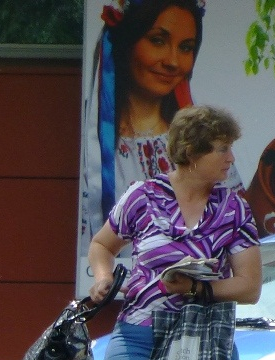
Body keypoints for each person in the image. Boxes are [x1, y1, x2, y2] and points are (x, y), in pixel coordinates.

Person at [88, 105, 262, 360]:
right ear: (192, 153)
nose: (231, 158)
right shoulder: (143, 196)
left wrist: (199, 287)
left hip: (203, 340)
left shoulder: (233, 209)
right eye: (221, 149)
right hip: (138, 337)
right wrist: (102, 277)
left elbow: (249, 286)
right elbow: (102, 245)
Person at [77, 0, 243, 289]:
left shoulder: (203, 146)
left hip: (200, 313)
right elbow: (100, 244)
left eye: (186, 47)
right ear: (127, 43)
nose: (173, 61)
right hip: (139, 307)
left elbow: (243, 257)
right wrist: (104, 278)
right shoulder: (96, 146)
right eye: (158, 40)